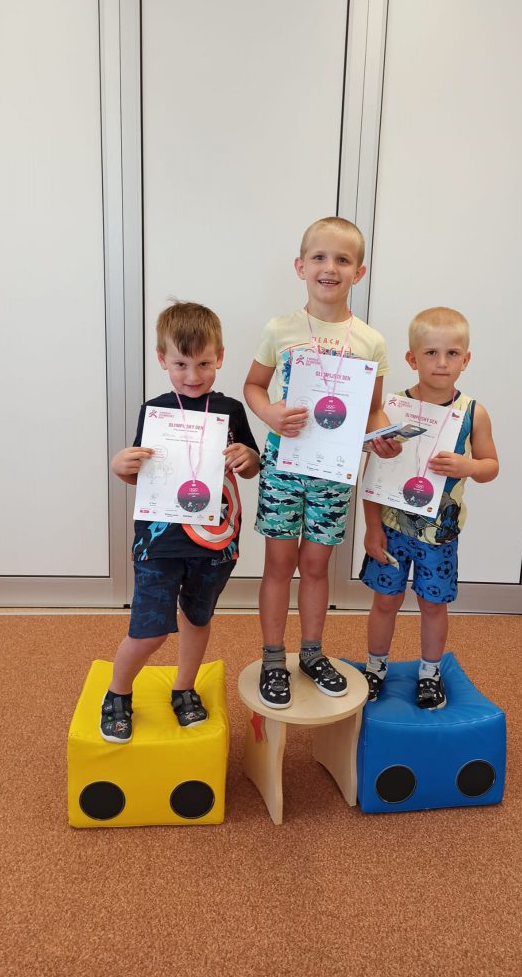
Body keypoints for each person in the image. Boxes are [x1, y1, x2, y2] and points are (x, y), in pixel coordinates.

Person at [244, 216, 396, 709]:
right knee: (279, 564)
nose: (330, 268)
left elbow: (373, 409)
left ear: (359, 272)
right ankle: (273, 658)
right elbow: (253, 386)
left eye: (342, 260)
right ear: (300, 266)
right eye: (319, 257)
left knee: (315, 565)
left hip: (334, 471)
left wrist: (382, 437)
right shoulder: (281, 328)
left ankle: (311, 653)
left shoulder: (369, 340)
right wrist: (269, 413)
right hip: (284, 465)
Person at [100, 302, 260, 742]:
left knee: (197, 617)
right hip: (160, 542)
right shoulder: (155, 410)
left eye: (204, 363)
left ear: (220, 357)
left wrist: (248, 457)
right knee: (149, 630)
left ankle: (184, 688)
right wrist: (120, 466)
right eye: (181, 364)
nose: (193, 375)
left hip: (216, 541)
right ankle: (117, 692)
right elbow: (144, 476)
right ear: (162, 360)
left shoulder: (230, 409)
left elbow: (250, 466)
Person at [359, 307, 498, 708]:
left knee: (433, 604)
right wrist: (372, 527)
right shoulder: (391, 410)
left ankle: (429, 673)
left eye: (452, 354)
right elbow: (373, 474)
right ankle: (375, 668)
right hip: (392, 528)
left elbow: (490, 466)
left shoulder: (473, 413)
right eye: (431, 353)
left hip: (440, 534)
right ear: (411, 358)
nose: (441, 363)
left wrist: (468, 466)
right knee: (385, 601)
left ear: (466, 360)